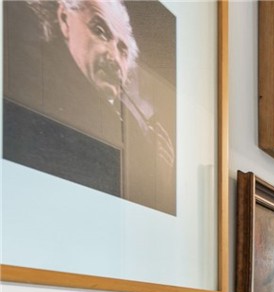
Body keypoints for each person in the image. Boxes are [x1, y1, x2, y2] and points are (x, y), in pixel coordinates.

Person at [2, 0, 175, 214]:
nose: (114, 57)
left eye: (123, 50)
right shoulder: (32, 78)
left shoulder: (126, 123)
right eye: (100, 31)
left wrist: (160, 176)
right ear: (64, 19)